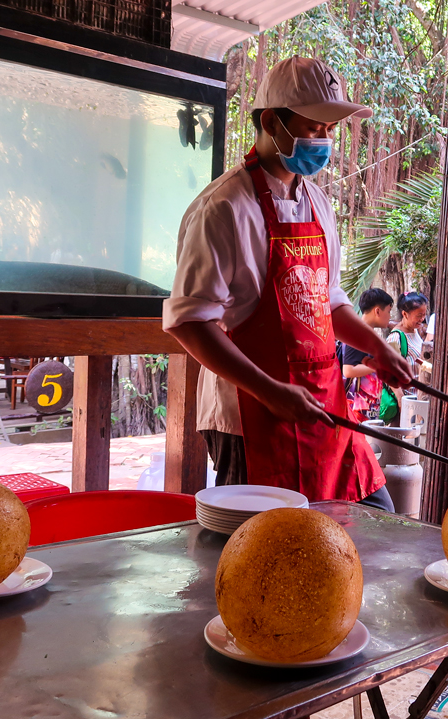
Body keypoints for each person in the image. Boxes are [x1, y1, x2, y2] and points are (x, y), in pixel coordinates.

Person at [165, 56, 410, 510]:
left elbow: (327, 301)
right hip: (249, 413)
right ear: (272, 122)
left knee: (372, 514)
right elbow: (189, 322)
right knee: (264, 545)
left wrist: (378, 349)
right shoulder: (224, 208)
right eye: (315, 127)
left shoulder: (317, 202)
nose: (325, 140)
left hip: (321, 399)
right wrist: (270, 391)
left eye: (330, 130)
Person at [342, 288, 393, 421]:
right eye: (388, 311)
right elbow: (348, 370)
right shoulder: (358, 333)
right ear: (377, 311)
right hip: (357, 408)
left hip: (367, 407)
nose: (390, 316)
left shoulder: (365, 333)